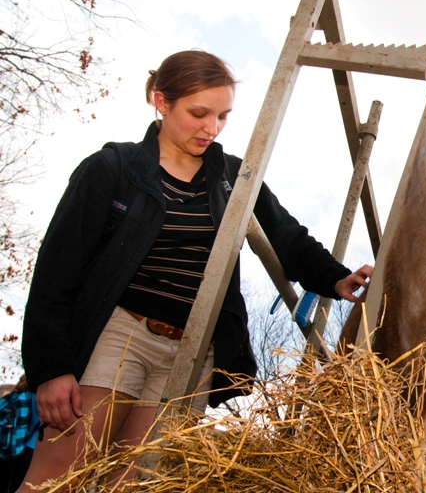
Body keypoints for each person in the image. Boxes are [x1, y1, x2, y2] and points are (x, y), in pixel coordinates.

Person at [18, 50, 373, 489]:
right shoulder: (112, 170)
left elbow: (287, 238)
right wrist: (50, 368)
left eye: (223, 116)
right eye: (199, 113)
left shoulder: (233, 177)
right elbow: (55, 272)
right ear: (160, 101)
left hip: (191, 353)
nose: (212, 128)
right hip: (118, 336)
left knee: (133, 483)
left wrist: (337, 277)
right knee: (57, 479)